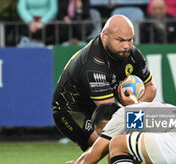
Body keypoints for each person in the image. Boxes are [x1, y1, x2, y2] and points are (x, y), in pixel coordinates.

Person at [52, 14, 157, 152]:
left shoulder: (132, 53)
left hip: (100, 106)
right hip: (71, 110)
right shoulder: (94, 64)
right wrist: (134, 112)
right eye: (120, 40)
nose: (126, 46)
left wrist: (135, 107)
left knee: (129, 143)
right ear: (104, 35)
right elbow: (111, 115)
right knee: (117, 144)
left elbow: (151, 88)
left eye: (130, 40)